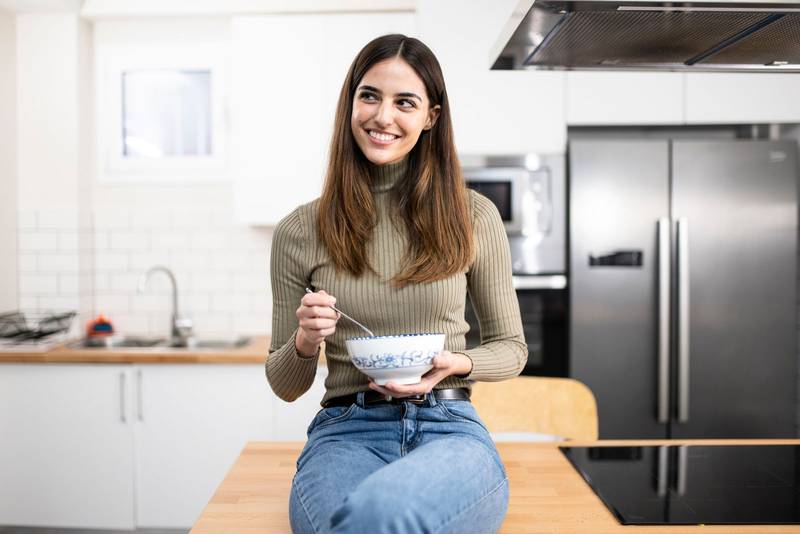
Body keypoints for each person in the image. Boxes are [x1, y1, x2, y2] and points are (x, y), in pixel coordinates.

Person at [266, 33, 527, 534]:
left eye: (404, 102)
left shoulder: (473, 216)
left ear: (430, 116)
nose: (383, 117)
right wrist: (304, 340)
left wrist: (460, 362)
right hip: (346, 431)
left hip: (449, 427)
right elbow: (284, 385)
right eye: (369, 96)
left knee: (383, 515)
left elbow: (511, 348)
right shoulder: (300, 231)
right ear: (350, 105)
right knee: (365, 519)